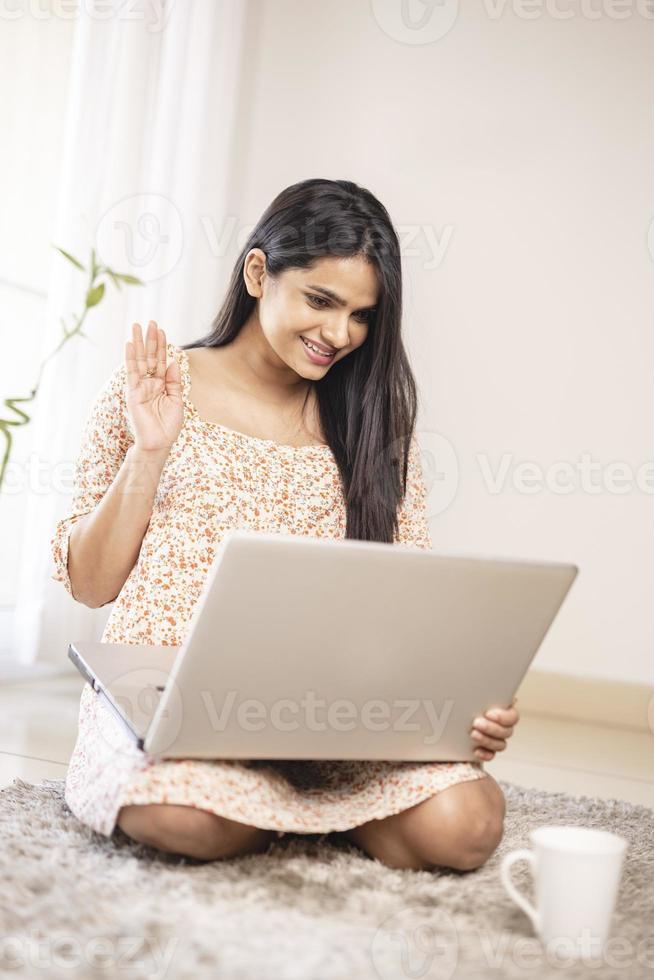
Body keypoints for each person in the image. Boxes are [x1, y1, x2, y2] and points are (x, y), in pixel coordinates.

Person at [51, 178, 519, 871]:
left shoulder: (373, 424)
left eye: (361, 315)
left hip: (331, 718)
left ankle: (283, 806)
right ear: (258, 272)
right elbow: (89, 585)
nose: (340, 334)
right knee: (180, 813)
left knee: (468, 827)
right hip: (173, 709)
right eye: (322, 301)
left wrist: (463, 704)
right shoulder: (152, 387)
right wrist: (150, 452)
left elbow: (410, 601)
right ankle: (295, 813)